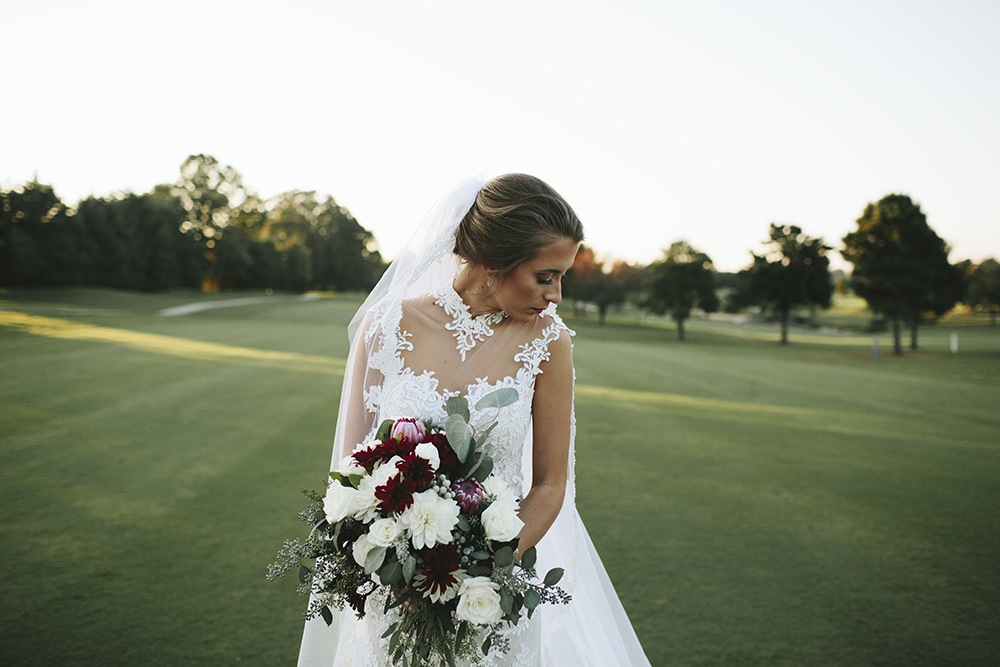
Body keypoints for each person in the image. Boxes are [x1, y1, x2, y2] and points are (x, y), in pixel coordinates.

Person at [297, 174, 651, 667]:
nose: (556, 296)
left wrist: (477, 572)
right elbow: (351, 471)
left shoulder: (549, 343)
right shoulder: (385, 327)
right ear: (493, 264)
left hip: (490, 597)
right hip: (393, 590)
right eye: (546, 276)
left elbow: (550, 484)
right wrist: (398, 565)